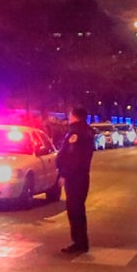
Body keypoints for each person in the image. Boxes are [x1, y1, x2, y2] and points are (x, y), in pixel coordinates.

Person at [57, 106, 95, 254]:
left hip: (75, 177)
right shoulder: (88, 131)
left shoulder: (76, 132)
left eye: (70, 115)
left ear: (75, 116)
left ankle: (79, 243)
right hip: (82, 176)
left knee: (74, 210)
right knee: (78, 209)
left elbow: (72, 156)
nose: (68, 117)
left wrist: (64, 174)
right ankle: (81, 242)